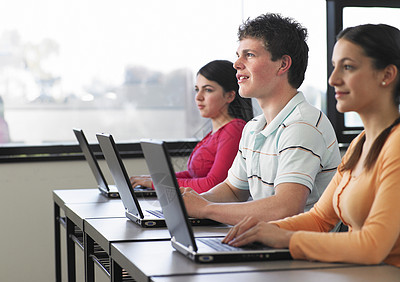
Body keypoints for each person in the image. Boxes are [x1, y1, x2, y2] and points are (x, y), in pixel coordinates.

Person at [223, 23, 400, 267]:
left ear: (387, 75)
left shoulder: (397, 145)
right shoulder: (361, 143)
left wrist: (287, 238)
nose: (333, 79)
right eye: (334, 67)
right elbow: (319, 218)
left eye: (347, 67)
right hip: (360, 279)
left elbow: (371, 247)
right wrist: (261, 231)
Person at [180, 13, 341, 226]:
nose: (236, 63)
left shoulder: (303, 125)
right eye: (238, 55)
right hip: (268, 239)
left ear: (283, 64)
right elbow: (233, 190)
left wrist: (205, 208)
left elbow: (286, 207)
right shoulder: (254, 127)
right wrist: (191, 202)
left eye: (249, 55)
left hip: (302, 251)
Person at [130, 60, 253, 193]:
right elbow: (193, 175)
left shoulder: (234, 130)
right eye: (197, 90)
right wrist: (155, 179)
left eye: (208, 90)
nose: (198, 97)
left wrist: (158, 183)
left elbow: (213, 185)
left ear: (229, 95)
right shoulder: (214, 132)